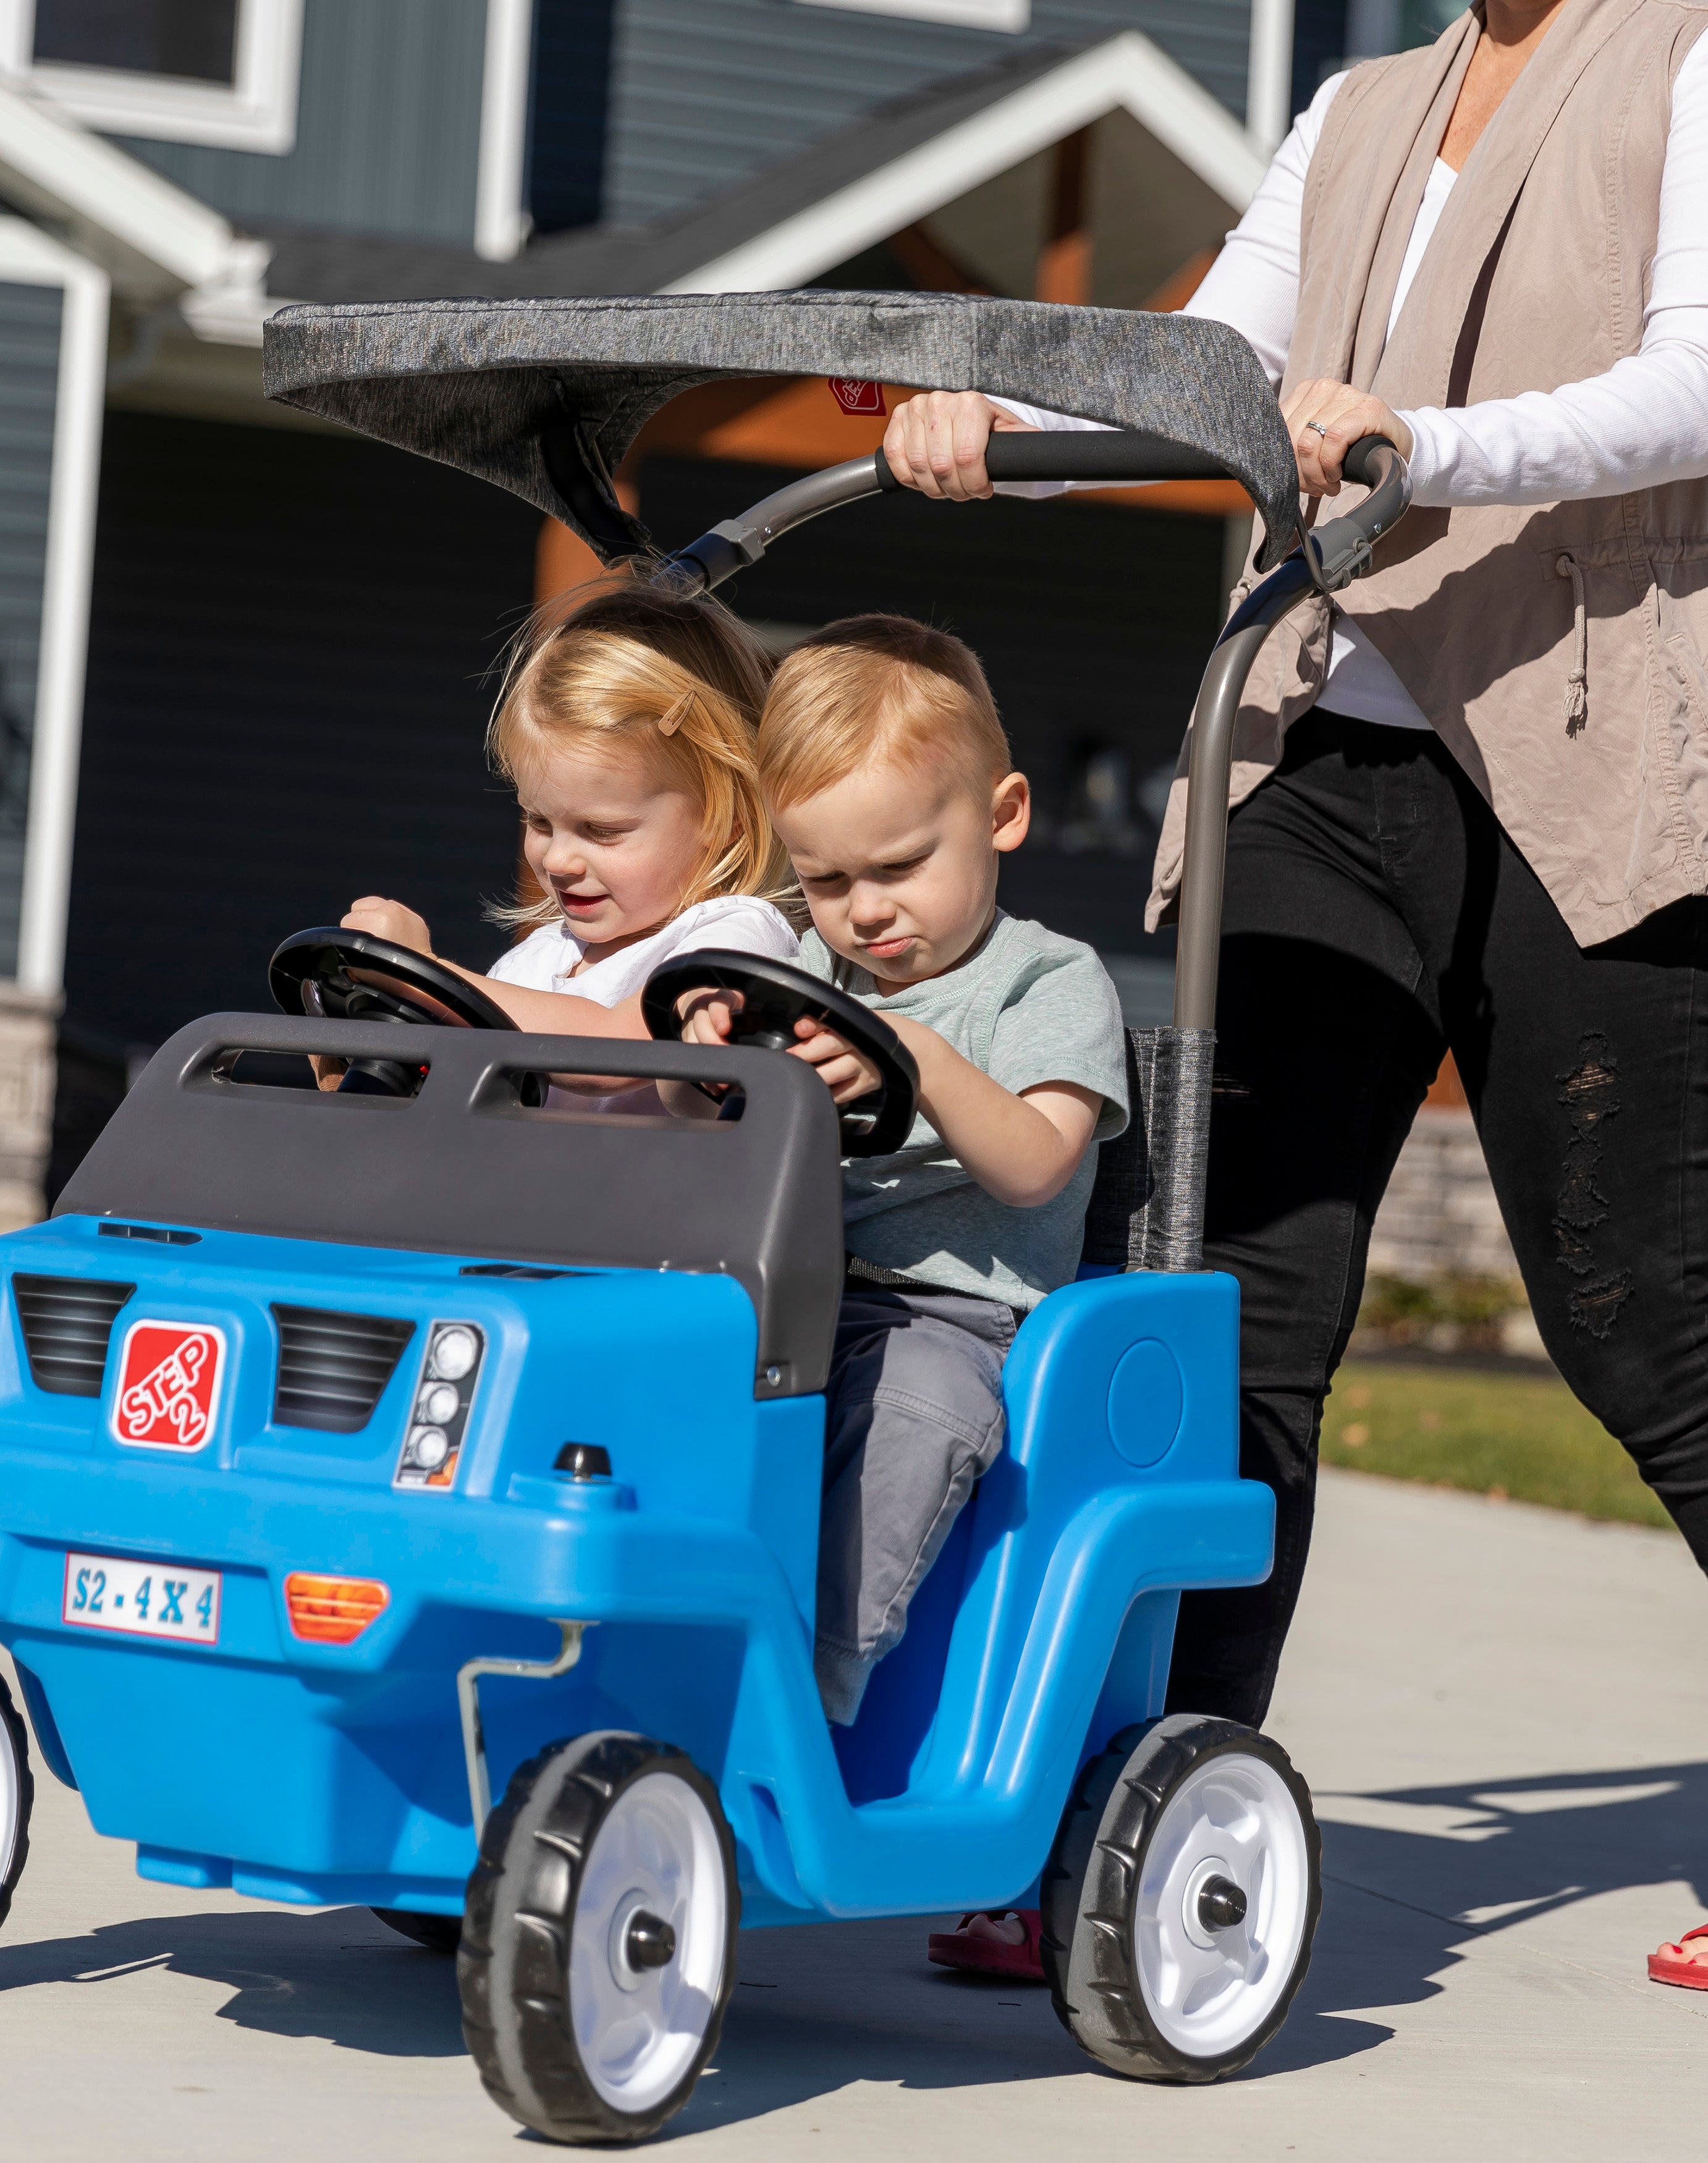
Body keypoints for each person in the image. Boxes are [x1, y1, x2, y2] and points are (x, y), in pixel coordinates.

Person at [879, 0, 1708, 1986]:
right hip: (1311, 763)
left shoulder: (1685, 60)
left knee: (1649, 1328)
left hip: (1578, 753)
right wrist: (996, 432)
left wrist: (1430, 448)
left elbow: (1691, 382)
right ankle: (1138, 1817)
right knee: (1217, 1311)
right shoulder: (1350, 110)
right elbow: (1206, 376)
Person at [683, 616, 1126, 1714]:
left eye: (899, 866)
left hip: (953, 1320)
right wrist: (707, 1023)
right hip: (787, 1292)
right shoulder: (807, 967)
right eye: (827, 879)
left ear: (1002, 815)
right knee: (653, 1367)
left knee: (917, 1412)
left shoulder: (1047, 983)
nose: (866, 911)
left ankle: (814, 1687)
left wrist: (919, 1058)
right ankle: (648, 1629)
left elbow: (1036, 1166)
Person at [338, 579, 800, 1111]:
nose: (556, 860)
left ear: (730, 819)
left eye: (602, 830)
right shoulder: (530, 964)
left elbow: (612, 1050)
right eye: (538, 821)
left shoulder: (734, 937)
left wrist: (423, 974)